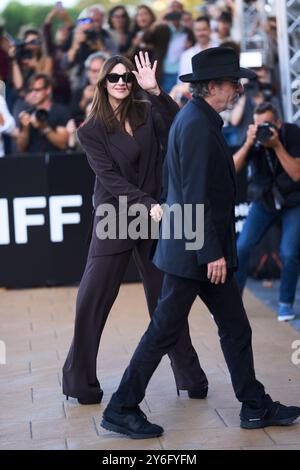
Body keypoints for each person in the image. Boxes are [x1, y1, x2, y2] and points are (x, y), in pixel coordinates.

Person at [101, 47, 300, 439]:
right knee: (162, 331)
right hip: (194, 253)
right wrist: (211, 253)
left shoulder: (200, 118)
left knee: (236, 329)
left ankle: (254, 405)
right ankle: (122, 407)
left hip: (200, 250)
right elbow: (192, 195)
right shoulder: (195, 124)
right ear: (212, 87)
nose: (239, 88)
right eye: (232, 82)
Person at [62, 52, 208, 405]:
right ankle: (80, 382)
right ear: (102, 84)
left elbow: (180, 125)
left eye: (126, 76)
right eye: (114, 78)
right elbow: (109, 179)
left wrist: (156, 91)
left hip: (152, 214)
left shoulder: (146, 112)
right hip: (116, 215)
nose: (122, 82)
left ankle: (189, 375)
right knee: (93, 299)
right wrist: (149, 205)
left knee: (165, 299)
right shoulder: (91, 129)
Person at [233, 102, 300, 321]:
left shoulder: (291, 134)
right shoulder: (253, 137)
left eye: (267, 124)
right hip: (265, 201)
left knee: (289, 252)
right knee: (242, 247)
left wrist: (277, 145)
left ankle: (285, 303)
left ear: (278, 123)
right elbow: (232, 169)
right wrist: (250, 142)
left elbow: (296, 174)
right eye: (258, 124)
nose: (262, 129)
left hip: (293, 201)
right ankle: (232, 302)